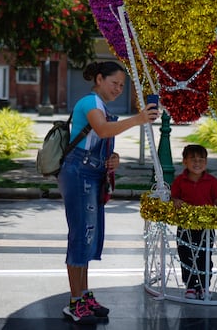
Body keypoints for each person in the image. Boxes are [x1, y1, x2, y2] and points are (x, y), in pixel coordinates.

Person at [58, 61, 159, 324]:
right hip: (79, 174)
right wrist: (139, 118)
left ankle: (83, 295)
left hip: (91, 173)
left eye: (122, 86)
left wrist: (112, 157)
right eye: (114, 83)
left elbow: (99, 140)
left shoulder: (101, 105)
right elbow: (102, 129)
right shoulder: (90, 102)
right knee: (80, 236)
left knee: (89, 236)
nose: (118, 89)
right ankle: (74, 301)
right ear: (99, 79)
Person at [171, 144, 217, 300]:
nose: (197, 163)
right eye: (193, 159)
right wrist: (176, 201)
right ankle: (190, 286)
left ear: (206, 162)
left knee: (204, 256)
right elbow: (174, 197)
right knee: (185, 255)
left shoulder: (212, 181)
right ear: (184, 162)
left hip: (206, 226)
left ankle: (204, 286)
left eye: (201, 160)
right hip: (185, 225)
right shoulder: (179, 180)